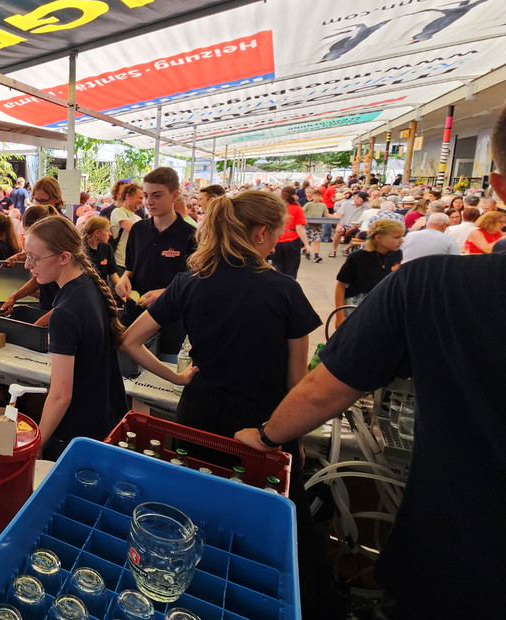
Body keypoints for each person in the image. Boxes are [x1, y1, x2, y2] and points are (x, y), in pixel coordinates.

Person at [234, 110, 506, 619]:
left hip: (458, 560)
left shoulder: (431, 285)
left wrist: (268, 437)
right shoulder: (290, 288)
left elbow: (324, 389)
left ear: (498, 187)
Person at [121, 190, 327, 617]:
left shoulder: (189, 282)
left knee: (192, 517)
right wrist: (294, 437)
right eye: (276, 236)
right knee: (264, 530)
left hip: (197, 417)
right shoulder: (285, 290)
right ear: (261, 233)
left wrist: (177, 378)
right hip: (262, 427)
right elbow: (297, 383)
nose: (276, 245)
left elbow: (130, 340)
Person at [24, 215, 128, 461]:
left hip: (77, 435)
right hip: (106, 421)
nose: (28, 265)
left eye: (34, 258)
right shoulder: (89, 285)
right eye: (27, 256)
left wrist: (38, 443)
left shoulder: (64, 313)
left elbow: (61, 396)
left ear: (64, 258)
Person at [115, 167, 197, 352]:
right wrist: (124, 279)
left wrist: (166, 293)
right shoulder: (138, 230)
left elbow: (195, 283)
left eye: (157, 196)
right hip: (134, 319)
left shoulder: (190, 235)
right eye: (145, 195)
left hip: (170, 325)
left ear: (174, 195)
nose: (149, 202)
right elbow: (131, 268)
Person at [333, 218, 404, 327]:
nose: (401, 240)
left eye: (402, 237)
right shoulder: (357, 257)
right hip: (357, 306)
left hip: (383, 304)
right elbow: (341, 286)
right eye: (396, 237)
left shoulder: (397, 254)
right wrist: (339, 316)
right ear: (378, 238)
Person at [272, 186, 311, 279]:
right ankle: (289, 287)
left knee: (277, 268)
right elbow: (299, 228)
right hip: (292, 241)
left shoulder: (277, 208)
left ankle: (278, 286)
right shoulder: (297, 208)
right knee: (291, 270)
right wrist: (306, 244)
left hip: (277, 240)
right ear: (294, 195)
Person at [109, 182, 143, 271]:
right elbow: (133, 231)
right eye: (139, 198)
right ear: (128, 196)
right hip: (119, 264)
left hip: (133, 264)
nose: (141, 201)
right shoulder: (118, 211)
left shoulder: (138, 218)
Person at [81, 216, 120, 290]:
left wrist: (121, 286)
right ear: (97, 233)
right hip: (85, 290)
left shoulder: (107, 247)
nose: (110, 234)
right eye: (107, 231)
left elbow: (112, 273)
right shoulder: (80, 249)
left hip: (103, 290)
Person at [331, 191, 369, 257]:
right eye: (362, 200)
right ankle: (333, 250)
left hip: (357, 227)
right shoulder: (346, 204)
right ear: (357, 198)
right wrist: (339, 226)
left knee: (360, 235)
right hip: (345, 225)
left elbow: (365, 220)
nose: (363, 202)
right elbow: (339, 215)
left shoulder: (366, 207)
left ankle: (346, 248)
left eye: (365, 201)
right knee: (339, 231)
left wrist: (354, 228)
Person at [302, 188, 330, 263]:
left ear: (321, 197)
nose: (317, 197)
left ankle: (316, 256)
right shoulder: (308, 204)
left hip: (318, 225)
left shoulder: (323, 205)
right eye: (315, 196)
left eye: (319, 196)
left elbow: (327, 214)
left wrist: (335, 217)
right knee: (308, 241)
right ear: (312, 196)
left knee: (317, 240)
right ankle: (307, 252)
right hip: (309, 225)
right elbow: (302, 211)